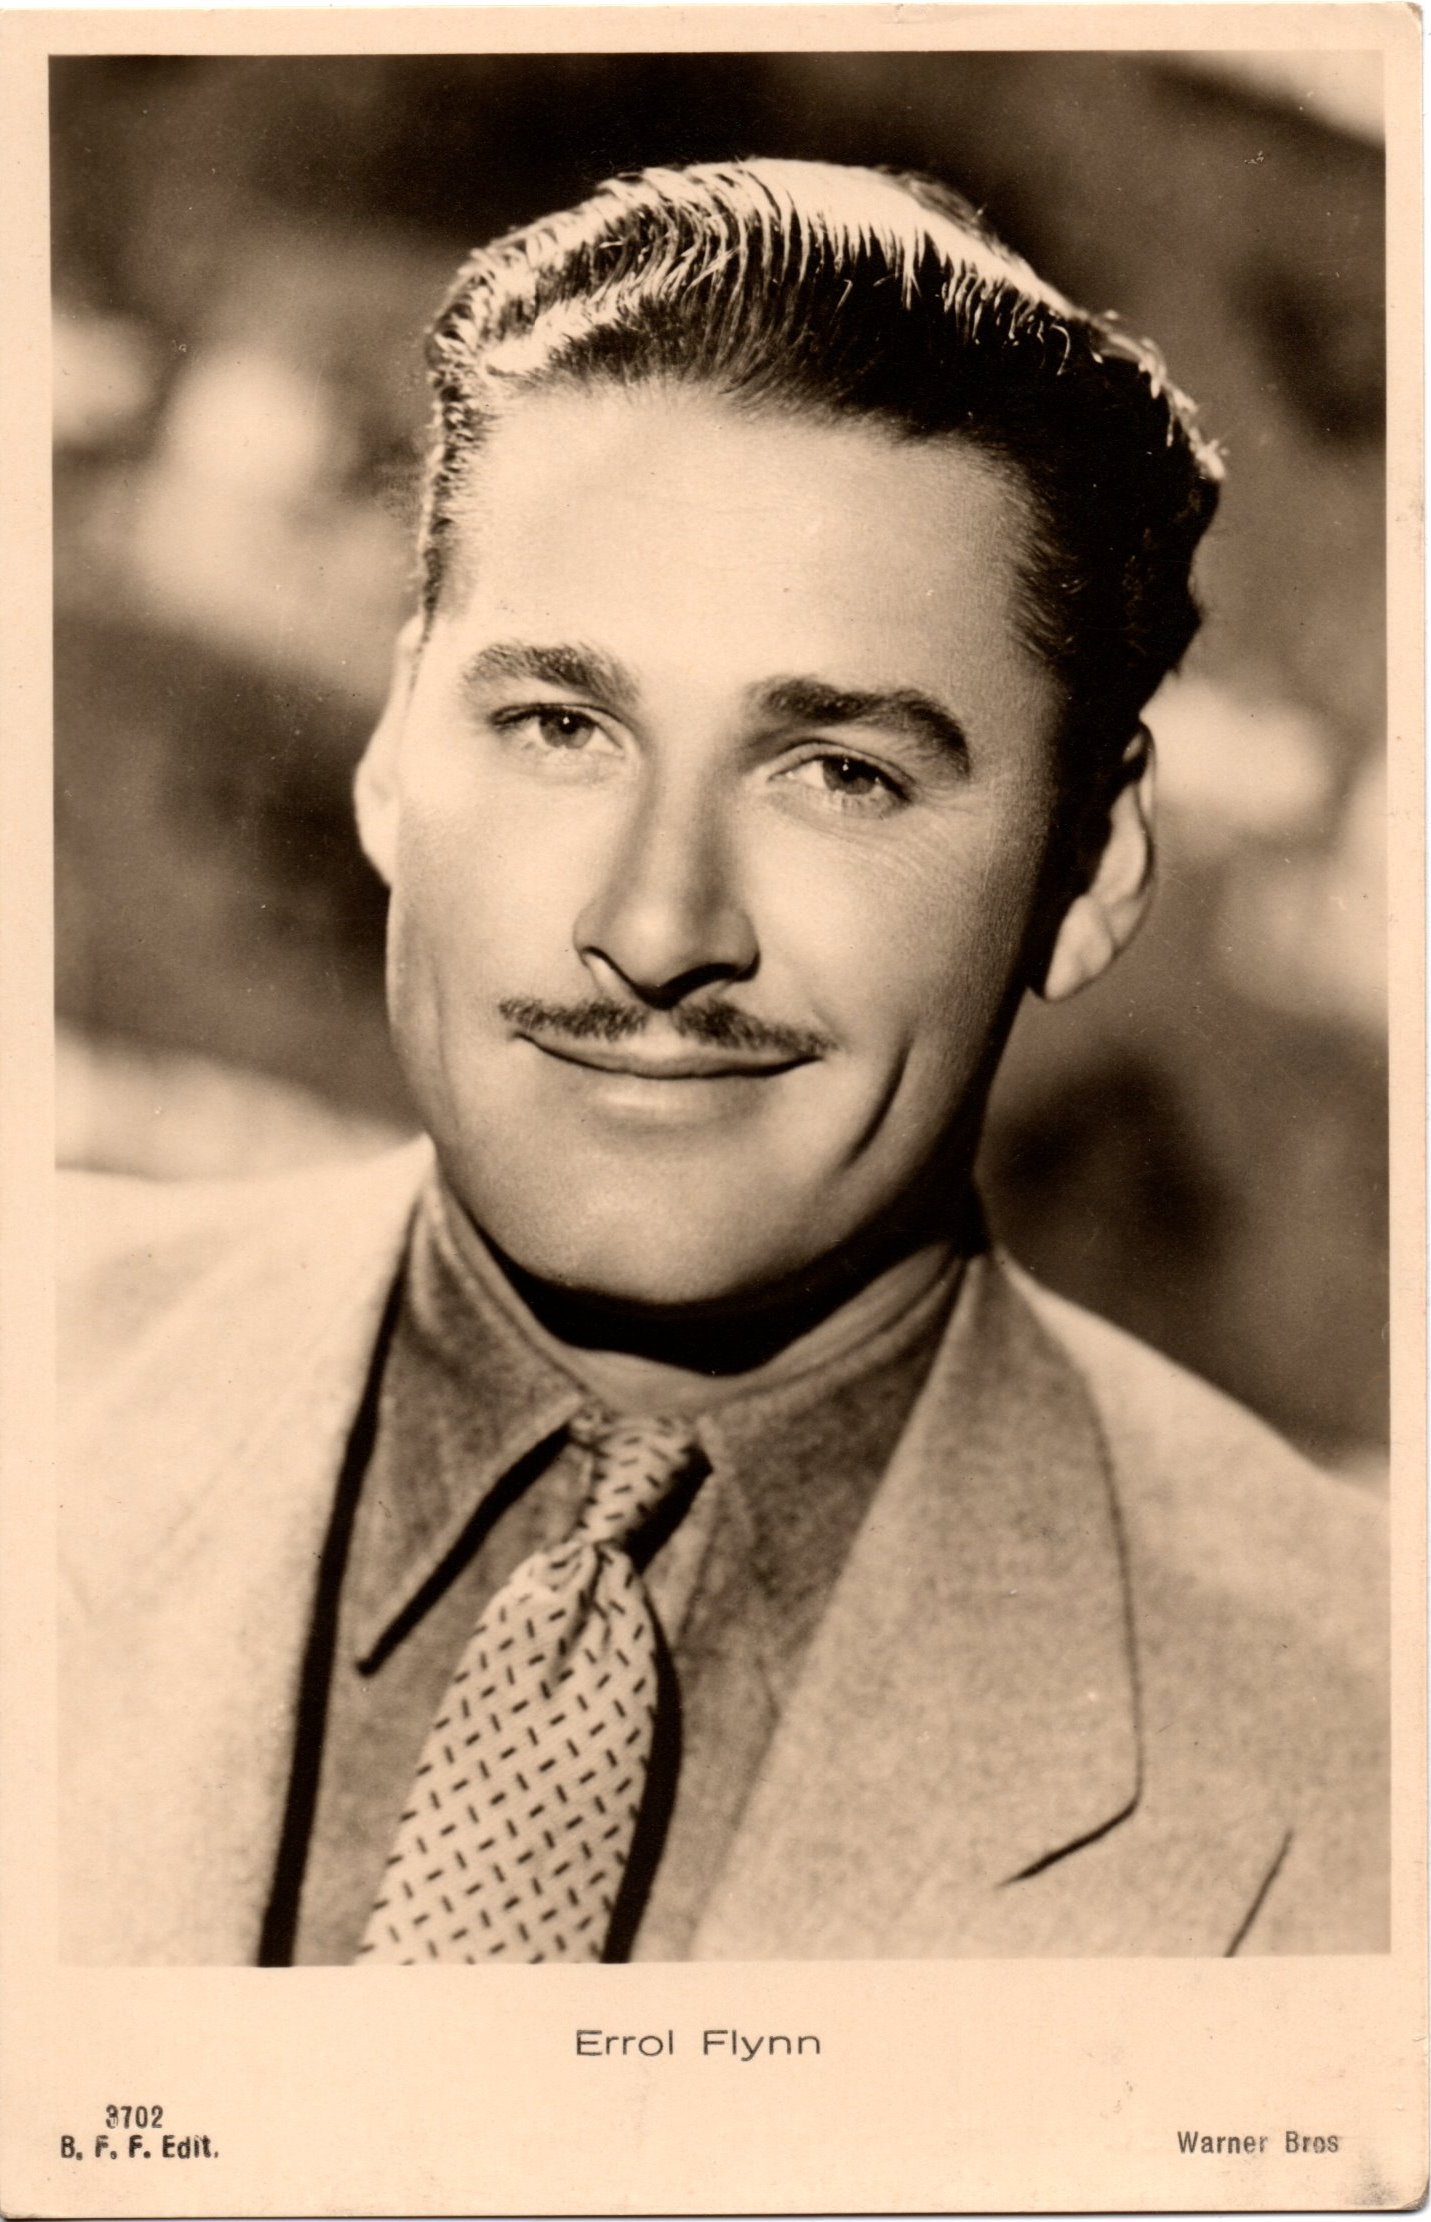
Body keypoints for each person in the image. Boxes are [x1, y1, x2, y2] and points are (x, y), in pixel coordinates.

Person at [59, 159, 1386, 1965]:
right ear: (392, 750)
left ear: (1089, 873)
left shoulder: (1373, 1744)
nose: (655, 923)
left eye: (840, 771)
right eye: (559, 723)